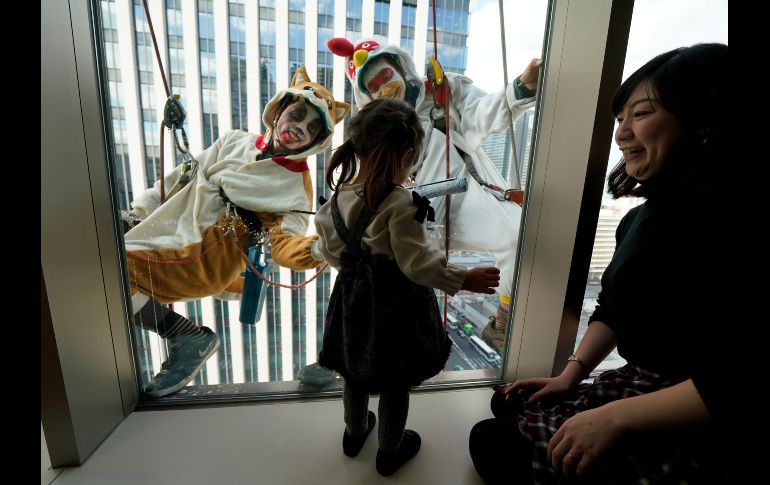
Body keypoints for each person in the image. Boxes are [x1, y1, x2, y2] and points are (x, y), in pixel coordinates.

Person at [468, 43, 729, 483]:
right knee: (508, 403)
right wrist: (570, 375)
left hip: (687, 406)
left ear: (703, 120)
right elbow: (613, 306)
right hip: (641, 383)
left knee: (491, 441)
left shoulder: (717, 217)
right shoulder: (641, 218)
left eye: (641, 114)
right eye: (619, 119)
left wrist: (615, 419)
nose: (622, 133)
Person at [123, 66, 350, 398]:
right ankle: (185, 337)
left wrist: (321, 248)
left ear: (317, 141)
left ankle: (185, 337)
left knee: (113, 269)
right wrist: (137, 214)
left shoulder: (296, 187)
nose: (300, 127)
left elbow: (285, 244)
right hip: (170, 229)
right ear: (278, 111)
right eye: (297, 115)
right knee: (102, 249)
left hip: (206, 253)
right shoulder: (234, 140)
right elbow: (183, 177)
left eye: (312, 128)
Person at [314, 98, 501, 476]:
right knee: (396, 380)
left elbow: (329, 253)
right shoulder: (400, 205)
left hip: (351, 303)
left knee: (354, 371)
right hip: (395, 308)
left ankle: (354, 432)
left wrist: (358, 272)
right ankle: (390, 449)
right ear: (409, 154)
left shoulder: (334, 202)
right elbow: (418, 265)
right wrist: (464, 278)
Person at [328, 37, 542, 355]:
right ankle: (391, 343)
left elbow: (482, 112)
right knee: (398, 274)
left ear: (399, 66)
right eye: (373, 86)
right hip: (417, 207)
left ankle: (504, 319)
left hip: (464, 192)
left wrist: (520, 88)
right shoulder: (379, 130)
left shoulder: (442, 91)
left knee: (515, 238)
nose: (384, 87)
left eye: (385, 76)